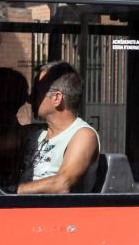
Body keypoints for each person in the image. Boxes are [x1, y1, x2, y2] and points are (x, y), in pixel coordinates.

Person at [17, 61, 100, 194]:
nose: (30, 99)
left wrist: (8, 192)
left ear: (57, 98)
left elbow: (62, 184)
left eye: (37, 91)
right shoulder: (35, 133)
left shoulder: (83, 135)